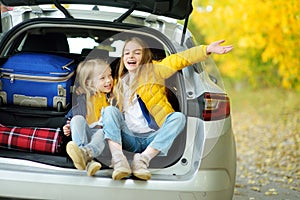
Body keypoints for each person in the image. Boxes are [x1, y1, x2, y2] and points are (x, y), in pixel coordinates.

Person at [102, 37, 233, 180]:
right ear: (122, 58)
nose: (131, 56)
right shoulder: (117, 82)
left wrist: (206, 49)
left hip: (154, 137)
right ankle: (119, 160)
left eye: (137, 53)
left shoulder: (155, 70)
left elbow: (179, 59)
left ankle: (143, 160)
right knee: (109, 111)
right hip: (129, 139)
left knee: (178, 118)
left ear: (145, 56)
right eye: (126, 53)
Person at [63, 58, 113, 176]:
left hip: (103, 140)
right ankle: (84, 157)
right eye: (102, 78)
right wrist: (67, 126)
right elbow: (73, 115)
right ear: (88, 83)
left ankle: (86, 154)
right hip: (86, 134)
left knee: (101, 132)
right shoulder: (84, 99)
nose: (109, 80)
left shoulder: (113, 97)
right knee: (76, 119)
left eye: (110, 75)